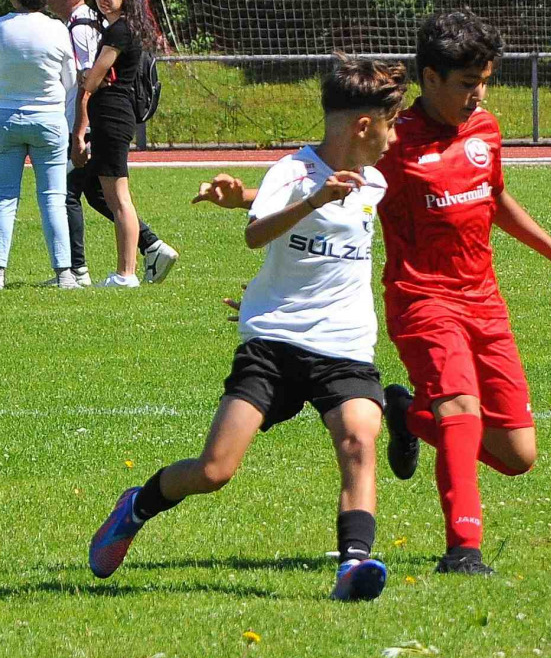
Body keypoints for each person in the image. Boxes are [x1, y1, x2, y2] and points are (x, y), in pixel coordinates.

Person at [88, 57, 409, 601]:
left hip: (345, 343)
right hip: (274, 343)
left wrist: (242, 196)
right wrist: (314, 200)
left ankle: (353, 566)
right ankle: (136, 505)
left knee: (359, 440)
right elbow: (256, 234)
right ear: (362, 126)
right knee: (215, 470)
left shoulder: (375, 183)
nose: (393, 138)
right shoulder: (294, 172)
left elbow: (262, 208)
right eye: (390, 125)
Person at [375, 11, 551, 575]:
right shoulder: (391, 141)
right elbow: (327, 182)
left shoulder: (484, 129)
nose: (480, 95)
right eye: (469, 83)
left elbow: (493, 198)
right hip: (421, 298)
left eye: (485, 81)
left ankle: (408, 413)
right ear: (431, 77)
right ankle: (463, 551)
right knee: (463, 410)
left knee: (517, 455)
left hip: (484, 301)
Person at [48, 0, 177, 286]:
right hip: (112, 114)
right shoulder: (115, 27)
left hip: (112, 115)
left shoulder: (118, 31)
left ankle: (125, 272)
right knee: (103, 194)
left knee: (118, 198)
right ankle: (141, 258)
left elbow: (93, 78)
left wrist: (89, 84)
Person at [0, 0, 79, 290]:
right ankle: (64, 273)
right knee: (53, 198)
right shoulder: (57, 29)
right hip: (49, 118)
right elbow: (70, 78)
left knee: (4, 197)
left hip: (6, 116)